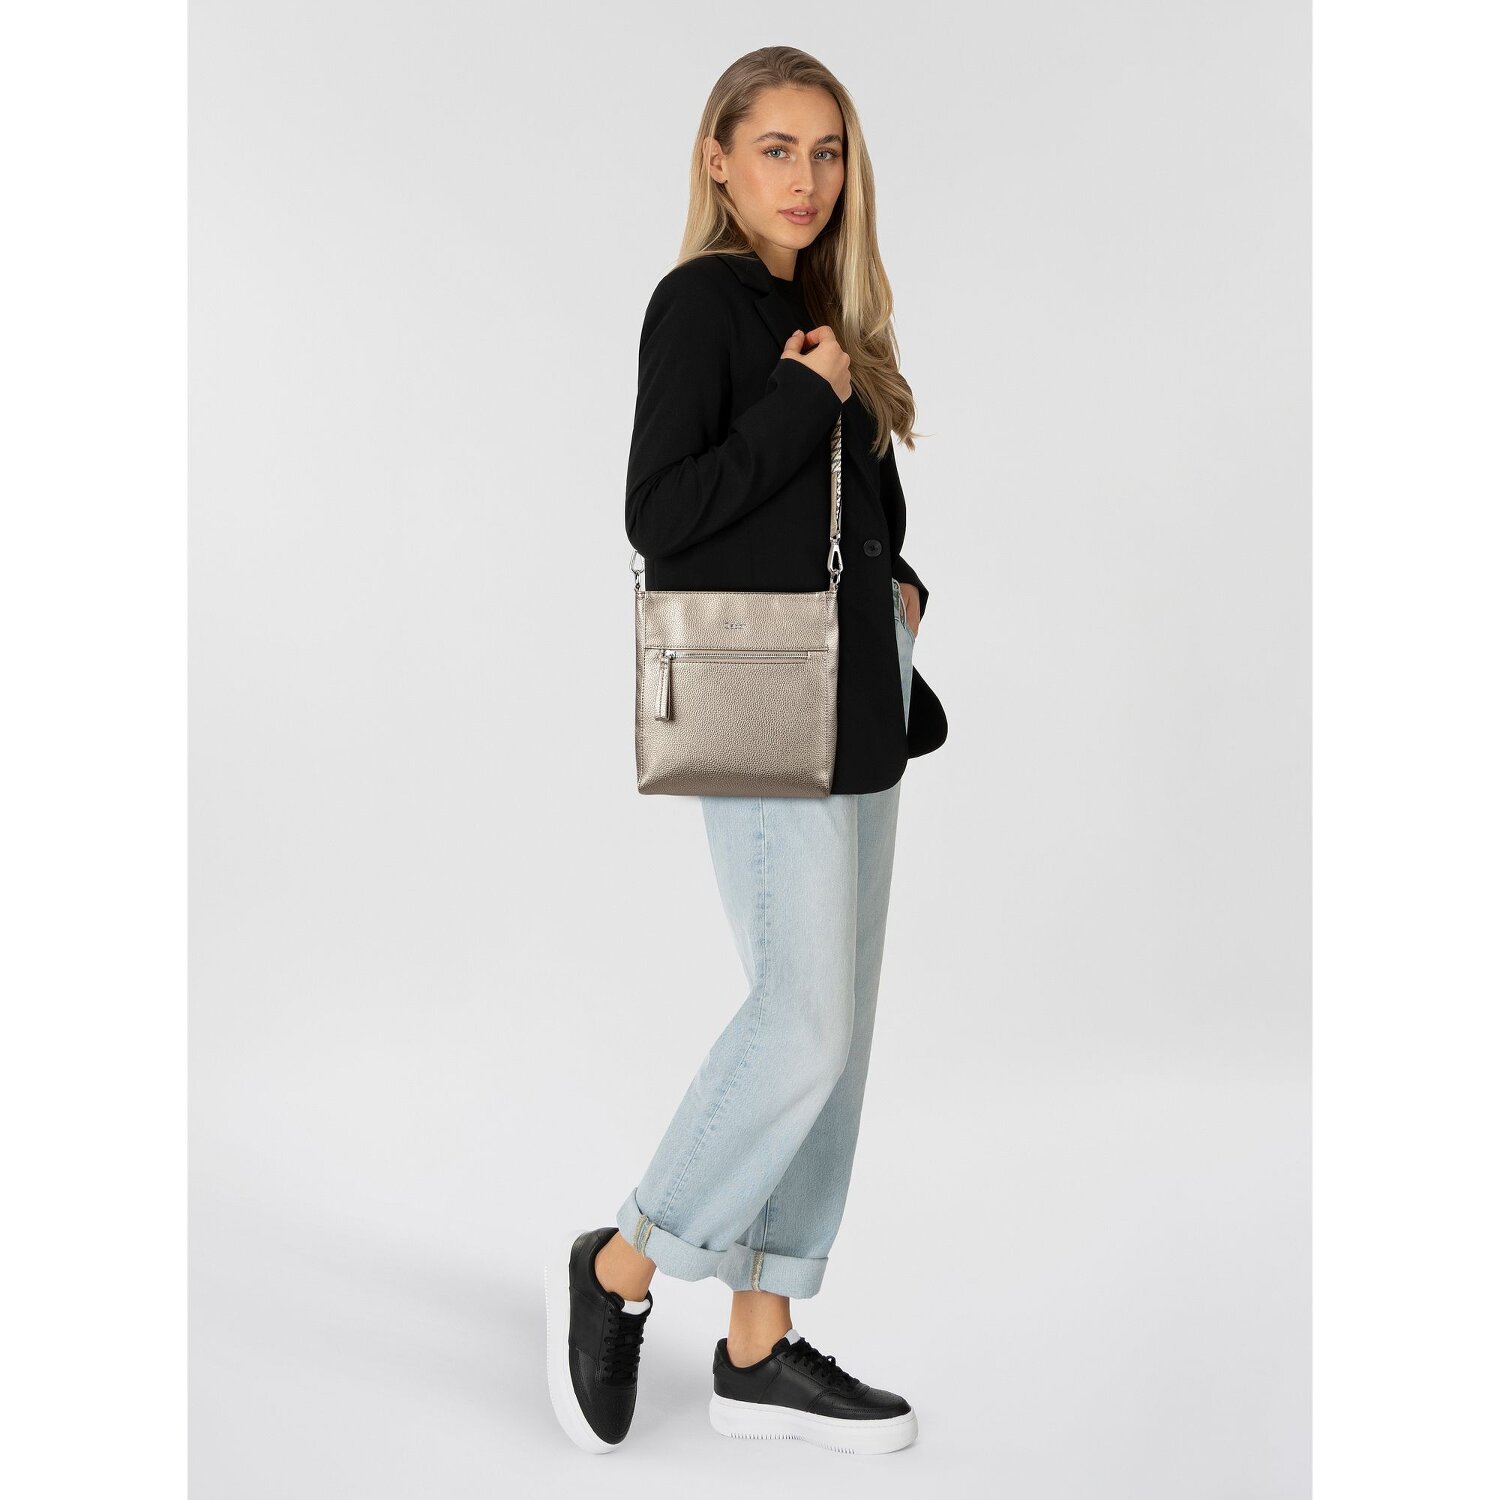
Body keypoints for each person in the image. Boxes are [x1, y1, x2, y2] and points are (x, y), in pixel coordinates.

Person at [545, 44, 948, 1458]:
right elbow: (663, 514)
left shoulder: (825, 308)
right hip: (768, 696)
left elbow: (840, 510)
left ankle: (762, 1344)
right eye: (777, 147)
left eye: (827, 151)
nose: (806, 178)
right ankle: (623, 1261)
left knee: (841, 1039)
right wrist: (801, 401)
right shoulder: (702, 305)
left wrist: (904, 584)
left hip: (862, 689)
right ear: (718, 160)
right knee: (800, 1021)